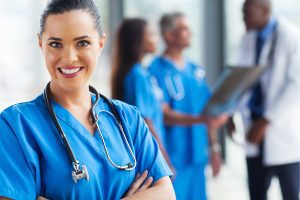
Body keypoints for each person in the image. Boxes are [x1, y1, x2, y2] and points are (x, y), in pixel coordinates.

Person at [0, 0, 175, 199]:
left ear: (100, 43)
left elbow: (166, 194)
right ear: (41, 44)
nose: (69, 58)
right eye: (56, 44)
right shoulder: (16, 126)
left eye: (82, 43)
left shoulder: (128, 118)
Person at [148, 12, 228, 200]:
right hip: (174, 159)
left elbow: (208, 111)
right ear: (169, 35)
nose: (189, 32)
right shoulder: (155, 70)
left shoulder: (196, 70)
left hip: (198, 157)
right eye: (183, 29)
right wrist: (202, 119)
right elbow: (163, 114)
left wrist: (214, 148)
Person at [229, 0, 300, 199]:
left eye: (248, 13)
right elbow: (240, 78)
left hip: (282, 131)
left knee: (290, 194)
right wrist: (229, 112)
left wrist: (267, 120)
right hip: (253, 130)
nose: (243, 19)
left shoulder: (291, 36)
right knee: (257, 193)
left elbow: (297, 85)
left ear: (266, 11)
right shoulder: (247, 39)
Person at [110, 18, 173, 171]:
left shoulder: (136, 72)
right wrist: (164, 159)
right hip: (147, 153)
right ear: (138, 40)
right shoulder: (138, 75)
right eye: (151, 35)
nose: (156, 39)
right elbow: (146, 121)